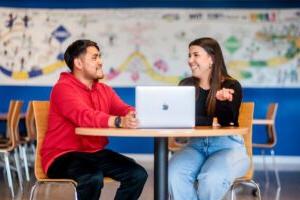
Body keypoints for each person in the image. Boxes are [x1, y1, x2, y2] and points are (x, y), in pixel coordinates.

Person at [42, 39, 148, 200]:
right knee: (92, 177)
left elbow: (123, 108)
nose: (100, 62)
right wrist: (118, 121)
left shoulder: (104, 89)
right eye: (95, 57)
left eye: (99, 57)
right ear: (78, 63)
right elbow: (84, 116)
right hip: (62, 156)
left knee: (137, 174)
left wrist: (132, 114)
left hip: (94, 153)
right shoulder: (62, 88)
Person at [168, 37, 250, 200]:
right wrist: (212, 121)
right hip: (195, 146)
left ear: (211, 58)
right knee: (174, 174)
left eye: (195, 55)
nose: (190, 60)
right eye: (189, 55)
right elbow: (181, 118)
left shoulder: (231, 86)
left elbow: (228, 122)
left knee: (211, 179)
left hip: (228, 147)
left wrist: (223, 103)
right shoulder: (186, 85)